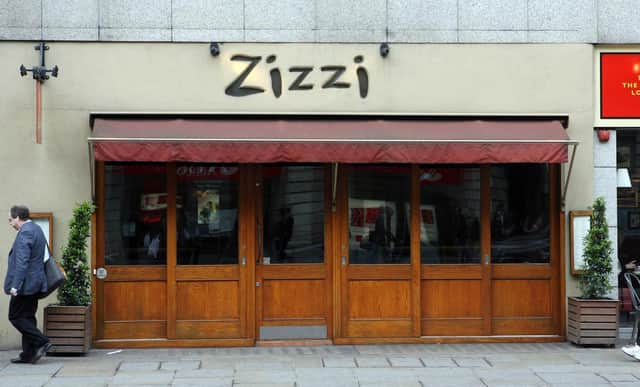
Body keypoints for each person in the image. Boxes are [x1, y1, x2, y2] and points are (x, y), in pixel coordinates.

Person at [4, 205, 51, 364]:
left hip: (25, 285)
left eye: (11, 219)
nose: (10, 223)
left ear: (18, 217)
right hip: (35, 282)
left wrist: (15, 286)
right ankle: (28, 354)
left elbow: (22, 262)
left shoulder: (25, 232)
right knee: (28, 317)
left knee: (15, 316)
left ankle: (42, 341)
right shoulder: (36, 228)